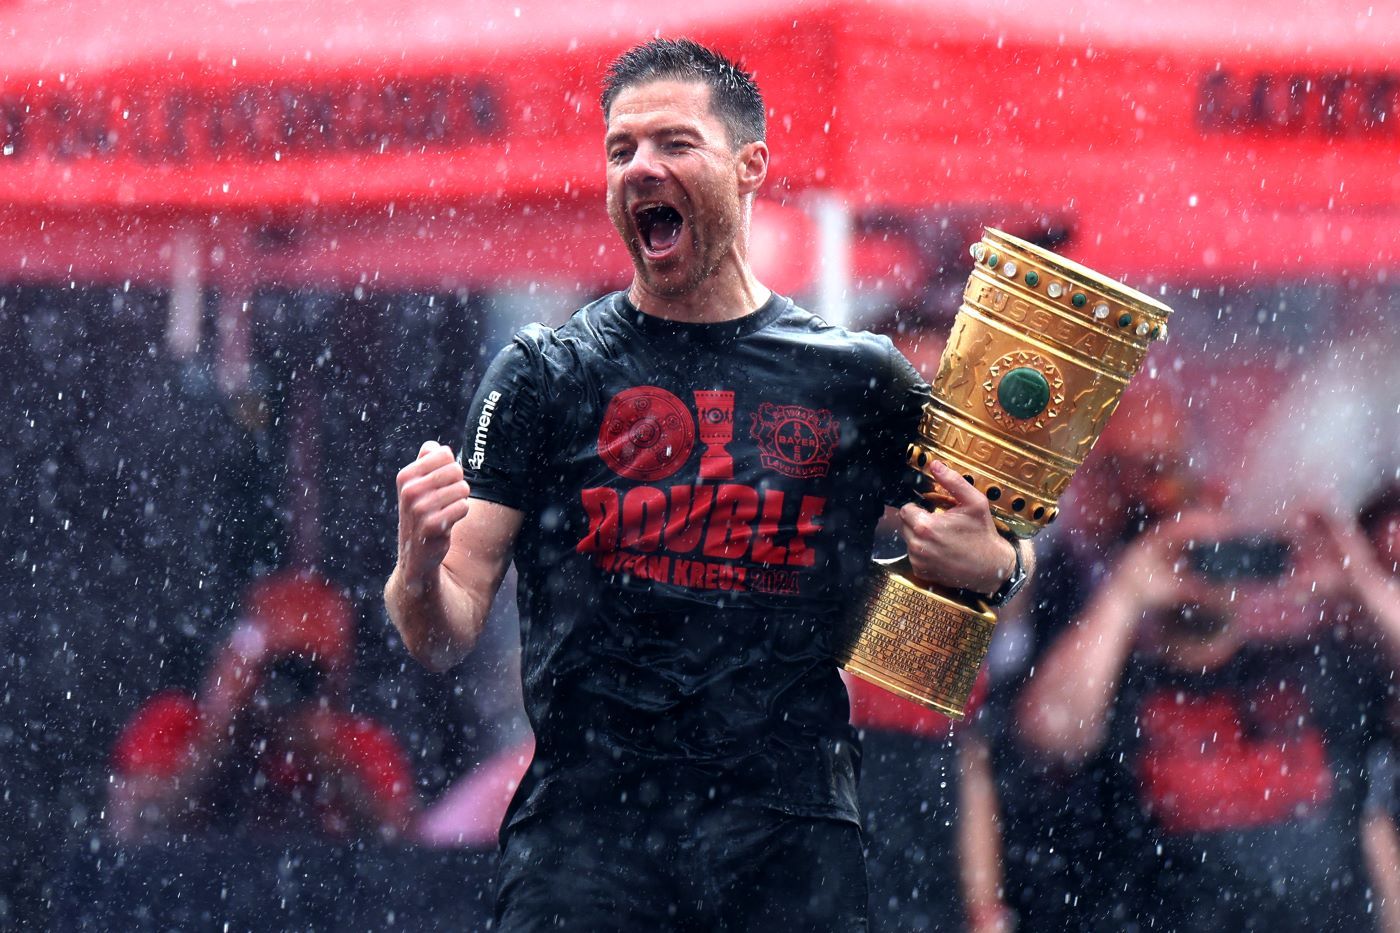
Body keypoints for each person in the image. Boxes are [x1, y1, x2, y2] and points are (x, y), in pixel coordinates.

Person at [384, 38, 1028, 931]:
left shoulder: (856, 379)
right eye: (621, 150)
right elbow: (443, 631)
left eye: (674, 144)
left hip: (788, 847)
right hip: (588, 848)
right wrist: (417, 566)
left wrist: (988, 556)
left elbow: (994, 549)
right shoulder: (544, 375)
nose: (641, 166)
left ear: (750, 165)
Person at [1018, 501, 1400, 931]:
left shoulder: (1311, 665)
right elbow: (1050, 732)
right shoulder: (1120, 682)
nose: (1211, 565)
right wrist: (1124, 592)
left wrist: (1360, 579)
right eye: (1192, 551)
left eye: (1226, 549)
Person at [109, 569, 417, 843]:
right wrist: (220, 731)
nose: (286, 686)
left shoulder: (358, 745)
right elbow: (133, 824)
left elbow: (401, 843)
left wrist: (331, 762)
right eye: (277, 666)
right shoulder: (176, 724)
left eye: (307, 673)